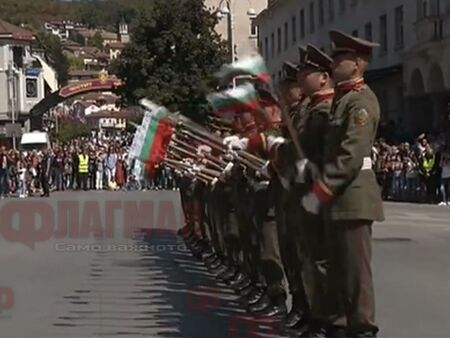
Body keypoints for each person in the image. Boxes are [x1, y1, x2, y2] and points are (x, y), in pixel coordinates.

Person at [301, 30, 384, 338]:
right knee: (336, 270)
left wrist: (321, 190)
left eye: (341, 58)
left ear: (358, 63)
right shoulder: (342, 100)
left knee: (355, 274)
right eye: (334, 57)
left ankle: (362, 330)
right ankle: (338, 327)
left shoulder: (361, 101)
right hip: (339, 198)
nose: (334, 62)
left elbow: (351, 155)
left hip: (353, 197)